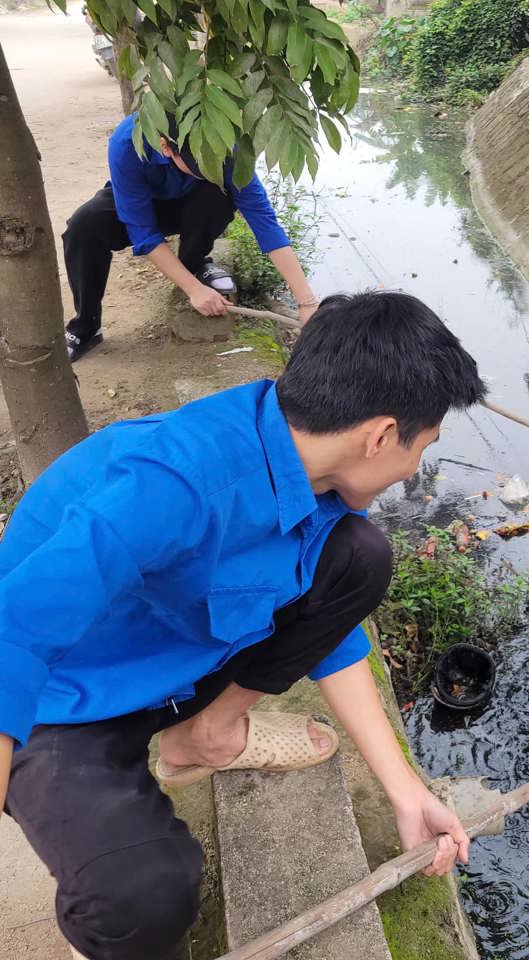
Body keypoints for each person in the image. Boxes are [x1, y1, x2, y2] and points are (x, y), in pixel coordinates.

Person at [0, 291, 484, 960]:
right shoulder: (174, 481)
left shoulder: (304, 467)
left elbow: (332, 635)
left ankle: (205, 734)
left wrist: (406, 792)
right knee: (145, 897)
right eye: (421, 448)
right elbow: (10, 638)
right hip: (65, 698)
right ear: (378, 435)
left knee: (359, 558)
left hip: (176, 663)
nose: (413, 471)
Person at [61, 112, 318, 361]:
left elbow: (265, 223)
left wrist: (306, 302)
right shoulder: (127, 142)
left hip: (196, 200)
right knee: (84, 225)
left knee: (216, 195)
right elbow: (145, 235)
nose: (211, 169)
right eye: (200, 166)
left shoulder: (230, 147)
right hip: (145, 202)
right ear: (166, 147)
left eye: (215, 164)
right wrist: (194, 291)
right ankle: (86, 326)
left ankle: (195, 264)